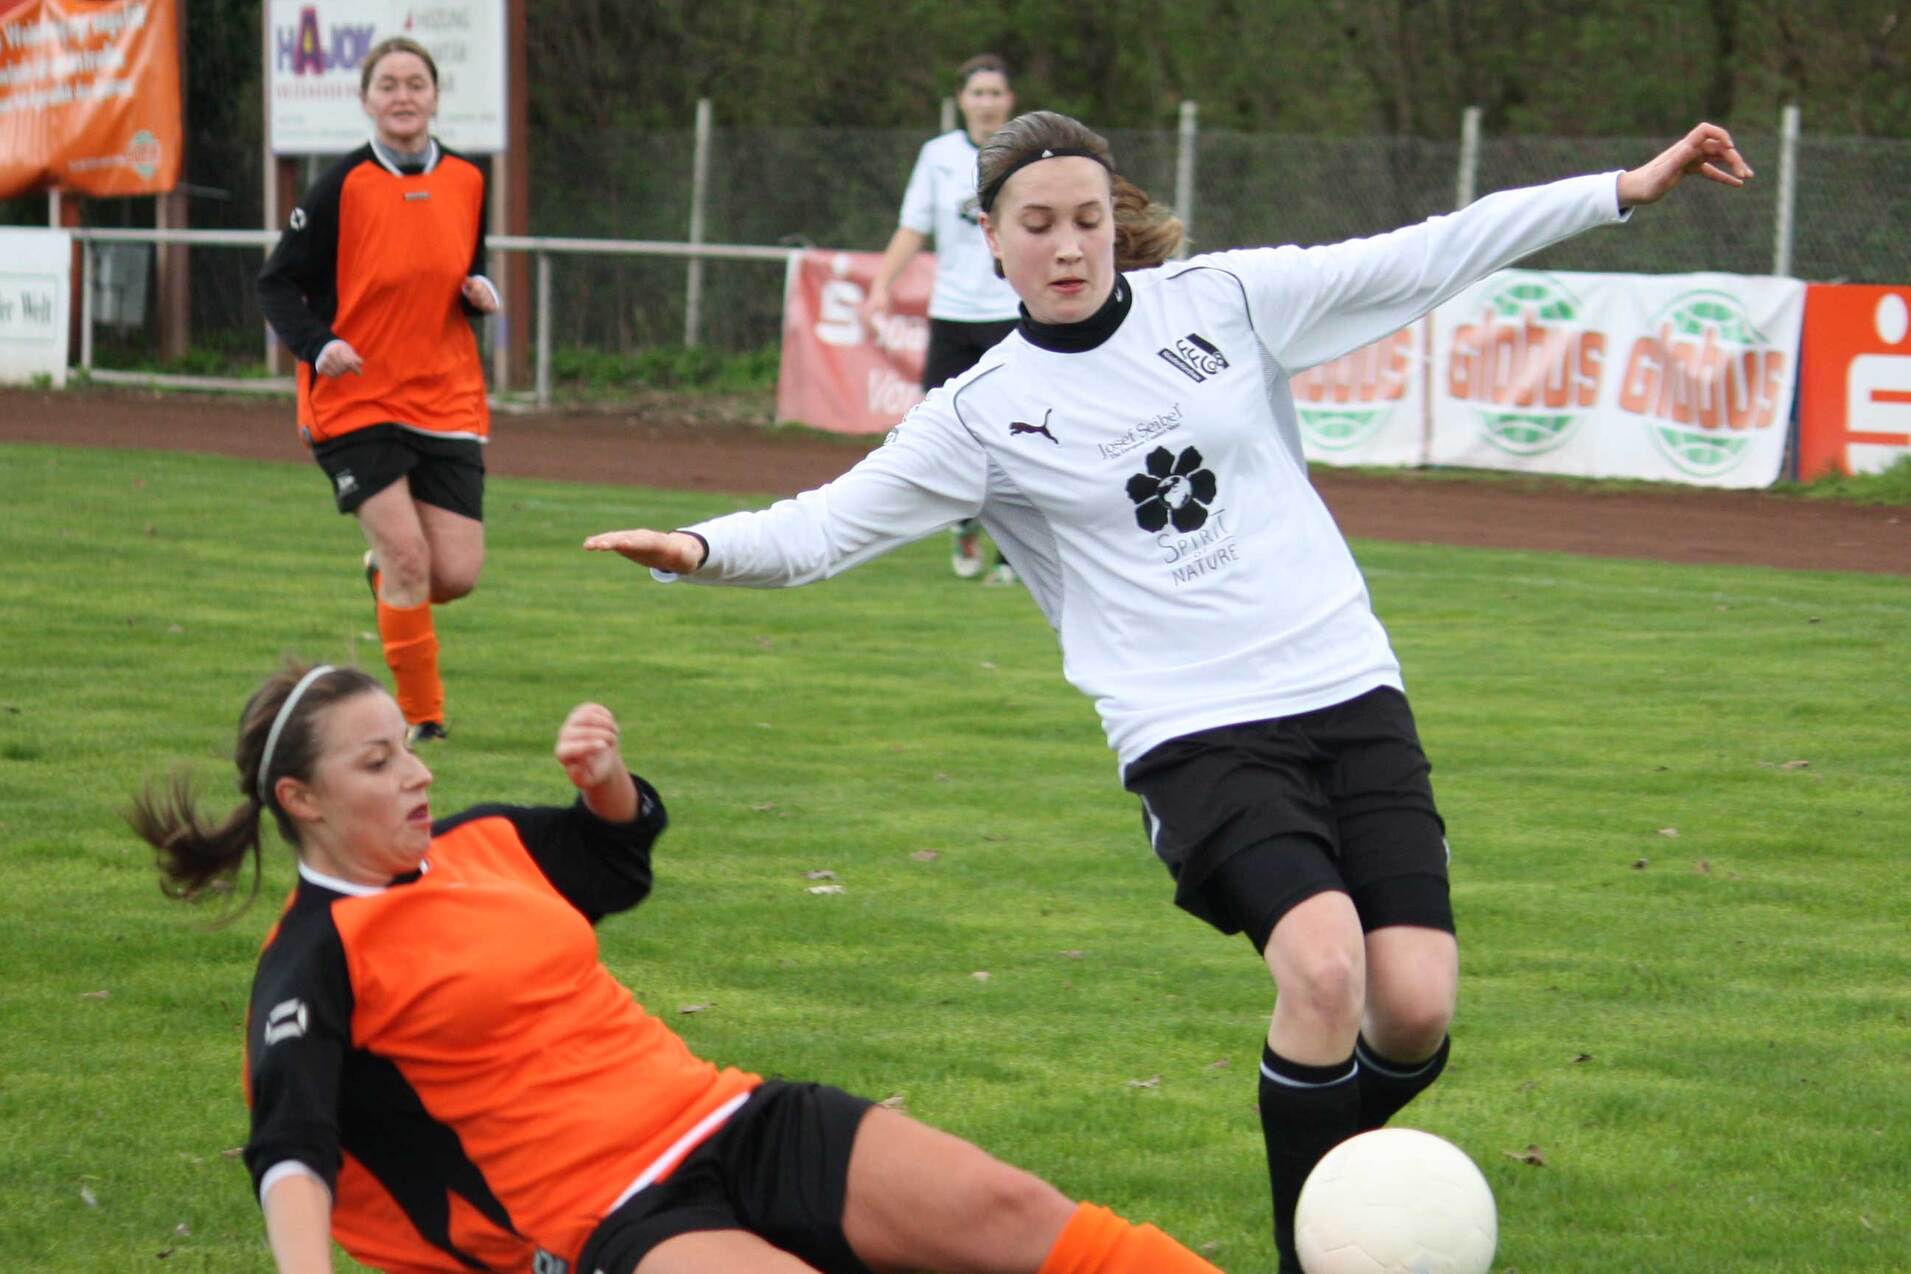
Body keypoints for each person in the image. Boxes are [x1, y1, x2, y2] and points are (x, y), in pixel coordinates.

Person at [583, 113, 1753, 1271]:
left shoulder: (1226, 301)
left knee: (1413, 1006)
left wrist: (1622, 188)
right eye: (1036, 224)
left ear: (1115, 221)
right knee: (1324, 965)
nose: (1068, 244)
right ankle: (1320, 1250)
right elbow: (827, 524)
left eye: (1088, 218)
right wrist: (699, 545)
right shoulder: (979, 414)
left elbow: (1429, 247)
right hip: (1192, 730)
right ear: (990, 238)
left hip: (1347, 685)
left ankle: (1347, 1187)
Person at [131, 661, 1226, 1274]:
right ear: (302, 801)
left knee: (1008, 1205)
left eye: (411, 746)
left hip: (730, 1117)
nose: (415, 773)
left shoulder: (480, 844)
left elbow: (611, 857)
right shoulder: (309, 963)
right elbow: (291, 1146)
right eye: (379, 762)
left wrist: (605, 780)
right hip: (610, 1221)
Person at [257, 36, 500, 749]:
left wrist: (475, 288)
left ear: (433, 97)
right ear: (365, 99)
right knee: (410, 561)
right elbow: (276, 282)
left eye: (415, 84)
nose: (402, 96)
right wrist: (317, 345)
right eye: (387, 84)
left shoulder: (466, 179)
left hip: (446, 396)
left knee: (453, 574)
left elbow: (458, 260)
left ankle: (386, 576)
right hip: (354, 399)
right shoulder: (341, 185)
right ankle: (422, 718)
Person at [861, 53, 1021, 584]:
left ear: (1009, 100)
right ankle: (964, 522)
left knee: (1015, 435)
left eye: (995, 93)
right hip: (952, 315)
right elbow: (913, 227)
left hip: (1012, 315)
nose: (986, 103)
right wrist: (882, 286)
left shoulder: (1026, 153)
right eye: (977, 93)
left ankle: (1012, 552)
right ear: (961, 101)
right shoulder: (938, 156)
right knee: (946, 430)